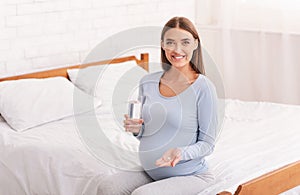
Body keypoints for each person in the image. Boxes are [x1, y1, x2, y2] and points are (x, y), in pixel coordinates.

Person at [98, 16, 219, 195]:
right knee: (107, 187)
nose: (177, 49)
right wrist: (137, 129)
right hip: (151, 171)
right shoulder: (147, 82)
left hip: (190, 175)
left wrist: (180, 153)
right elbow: (148, 133)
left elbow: (208, 144)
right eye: (171, 42)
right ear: (162, 44)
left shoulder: (203, 87)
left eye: (185, 42)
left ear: (195, 44)